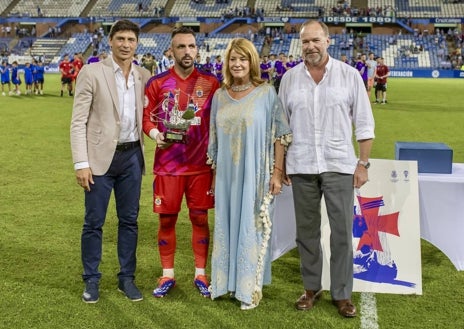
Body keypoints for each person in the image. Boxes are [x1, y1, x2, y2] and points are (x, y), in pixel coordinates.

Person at [278, 20, 375, 318]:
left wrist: (362, 163)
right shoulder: (290, 79)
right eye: (305, 42)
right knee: (306, 233)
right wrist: (278, 166)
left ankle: (342, 293)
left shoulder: (349, 76)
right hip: (302, 165)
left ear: (328, 41)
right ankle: (311, 288)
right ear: (300, 45)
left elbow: (364, 123)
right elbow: (281, 128)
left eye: (316, 40)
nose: (310, 46)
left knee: (342, 233)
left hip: (339, 165)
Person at [70, 19, 151, 304]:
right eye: (121, 39)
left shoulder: (144, 74)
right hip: (99, 159)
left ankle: (126, 278)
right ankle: (91, 280)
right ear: (111, 41)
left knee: (129, 221)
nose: (126, 45)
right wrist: (81, 162)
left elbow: (149, 117)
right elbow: (78, 121)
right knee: (94, 222)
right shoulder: (92, 72)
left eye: (131, 40)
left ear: (137, 43)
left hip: (131, 156)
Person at [208, 38, 292, 310]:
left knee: (250, 227)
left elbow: (280, 134)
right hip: (226, 177)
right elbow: (214, 142)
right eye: (233, 59)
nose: (237, 64)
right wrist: (213, 177)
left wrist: (277, 172)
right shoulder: (219, 96)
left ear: (252, 62)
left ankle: (249, 289)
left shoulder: (266, 93)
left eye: (243, 59)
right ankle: (224, 284)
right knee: (227, 225)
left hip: (255, 174)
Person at [142, 26, 220, 298]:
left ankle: (201, 273)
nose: (187, 52)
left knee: (200, 218)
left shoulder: (211, 83)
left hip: (201, 166)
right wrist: (155, 134)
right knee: (167, 221)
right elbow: (146, 118)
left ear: (197, 49)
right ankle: (167, 275)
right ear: (172, 51)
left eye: (191, 46)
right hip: (168, 166)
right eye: (181, 47)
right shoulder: (157, 83)